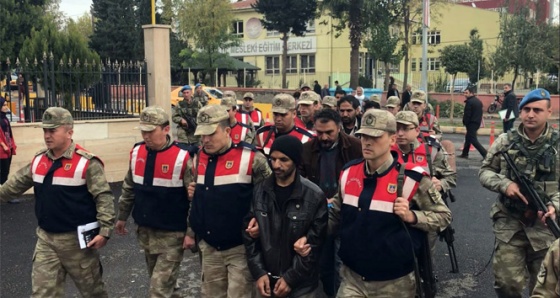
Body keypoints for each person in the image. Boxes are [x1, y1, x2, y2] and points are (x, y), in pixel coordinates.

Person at [330, 109, 451, 297]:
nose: (367, 142)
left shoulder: (413, 178)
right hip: (352, 278)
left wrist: (413, 216)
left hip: (395, 283)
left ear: (392, 139)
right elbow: (334, 216)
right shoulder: (348, 173)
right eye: (363, 136)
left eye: (375, 137)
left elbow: (444, 216)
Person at [0, 107, 115, 297]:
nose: (47, 135)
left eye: (52, 130)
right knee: (42, 293)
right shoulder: (38, 161)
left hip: (78, 243)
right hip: (46, 240)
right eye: (45, 130)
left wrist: (105, 230)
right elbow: (11, 187)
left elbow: (103, 197)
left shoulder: (87, 162)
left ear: (69, 132)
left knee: (93, 293)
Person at [184, 104, 272, 297]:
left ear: (227, 131)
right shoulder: (199, 157)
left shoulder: (252, 158)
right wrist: (190, 232)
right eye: (202, 135)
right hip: (209, 247)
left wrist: (260, 223)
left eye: (211, 134)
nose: (205, 140)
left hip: (240, 247)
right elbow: (196, 201)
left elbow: (269, 198)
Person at [479, 88, 558, 298]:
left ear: (549, 112)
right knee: (507, 284)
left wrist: (554, 206)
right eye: (526, 109)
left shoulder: (558, 145)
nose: (531, 114)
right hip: (510, 224)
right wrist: (505, 184)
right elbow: (485, 171)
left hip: (545, 228)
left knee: (543, 289)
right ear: (520, 112)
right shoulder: (506, 141)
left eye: (537, 110)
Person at [115, 106, 194, 297]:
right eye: (143, 131)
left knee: (158, 290)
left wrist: (191, 232)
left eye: (151, 131)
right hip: (147, 230)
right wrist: (122, 216)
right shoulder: (136, 152)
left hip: (172, 234)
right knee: (163, 285)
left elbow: (194, 199)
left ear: (166, 129)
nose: (146, 136)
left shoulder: (183, 157)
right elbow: (129, 187)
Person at [244, 135, 328, 298]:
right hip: (267, 282)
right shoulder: (260, 191)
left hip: (302, 287)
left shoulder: (314, 196)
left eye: (283, 160)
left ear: (296, 161)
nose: (276, 165)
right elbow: (249, 237)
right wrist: (258, 272)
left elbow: (315, 244)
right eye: (273, 159)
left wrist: (291, 278)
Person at [300, 109, 362, 297]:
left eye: (329, 132)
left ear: (339, 128)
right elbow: (300, 181)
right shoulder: (306, 149)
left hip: (346, 215)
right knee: (323, 266)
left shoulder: (355, 147)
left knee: (341, 266)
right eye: (320, 132)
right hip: (317, 217)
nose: (324, 137)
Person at [392, 111, 457, 255]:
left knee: (425, 256)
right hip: (395, 211)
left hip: (425, 211)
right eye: (396, 129)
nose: (400, 133)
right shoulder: (387, 150)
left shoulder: (431, 150)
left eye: (405, 129)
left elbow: (451, 177)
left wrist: (441, 184)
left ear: (416, 130)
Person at [460, 86, 487, 159]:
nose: (465, 94)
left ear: (471, 93)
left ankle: (485, 154)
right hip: (476, 122)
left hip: (471, 123)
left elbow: (467, 114)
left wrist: (465, 122)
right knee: (468, 138)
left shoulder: (469, 102)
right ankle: (465, 153)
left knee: (473, 140)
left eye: (466, 93)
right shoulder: (478, 101)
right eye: (464, 93)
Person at [1, 96, 17, 184]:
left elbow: (8, 132)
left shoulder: (5, 118)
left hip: (8, 147)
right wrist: (3, 145)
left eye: (6, 105)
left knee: (6, 171)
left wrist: (12, 145)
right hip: (2, 149)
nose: (6, 107)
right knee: (3, 171)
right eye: (4, 105)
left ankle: (3, 192)